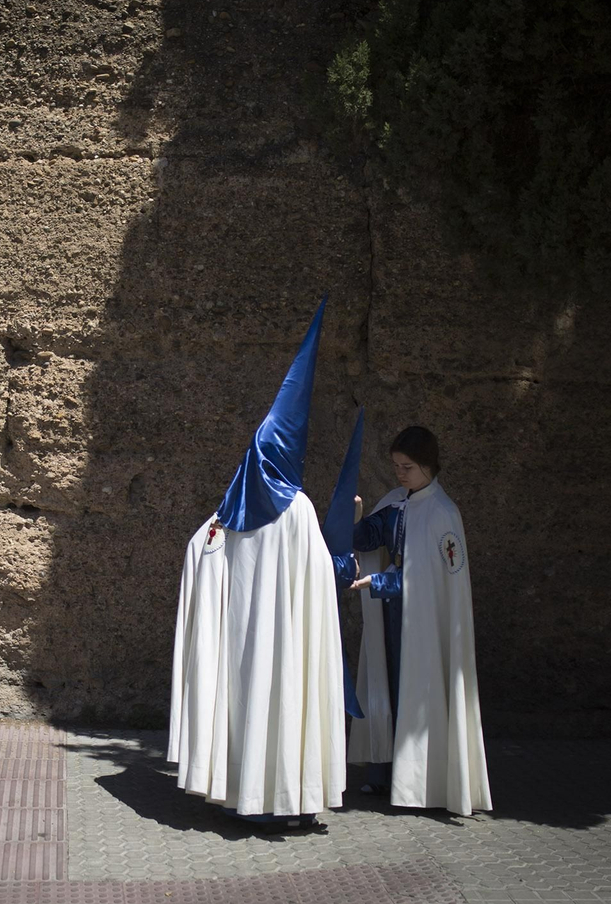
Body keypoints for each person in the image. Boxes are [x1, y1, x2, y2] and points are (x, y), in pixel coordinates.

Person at [169, 298, 346, 827]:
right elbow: (321, 582)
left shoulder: (232, 512)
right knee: (292, 696)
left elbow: (200, 548)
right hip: (288, 640)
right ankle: (293, 797)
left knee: (250, 701)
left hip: (246, 645)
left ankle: (251, 796)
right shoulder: (299, 509)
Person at [336, 426, 492, 816]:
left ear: (428, 465)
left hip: (424, 622)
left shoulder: (443, 514)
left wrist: (381, 580)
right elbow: (370, 537)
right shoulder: (396, 502)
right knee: (387, 689)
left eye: (408, 467)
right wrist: (353, 517)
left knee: (417, 695)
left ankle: (420, 780)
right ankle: (385, 772)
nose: (400, 474)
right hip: (393, 614)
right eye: (396, 466)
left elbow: (432, 580)